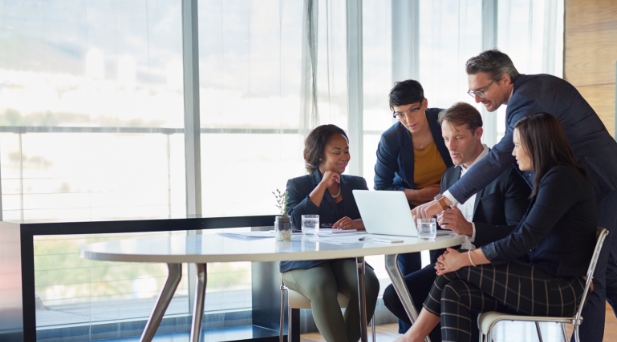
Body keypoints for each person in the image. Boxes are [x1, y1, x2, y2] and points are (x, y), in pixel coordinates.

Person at [414, 49, 617, 342]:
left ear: (505, 79)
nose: (477, 100)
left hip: (604, 183)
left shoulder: (528, 101)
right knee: (608, 274)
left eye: (481, 90)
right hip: (588, 188)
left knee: (597, 278)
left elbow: (498, 159)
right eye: (471, 92)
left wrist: (446, 200)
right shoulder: (532, 94)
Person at [398, 112, 597, 342]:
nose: (512, 153)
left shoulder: (561, 178)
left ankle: (410, 338)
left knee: (456, 268)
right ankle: (412, 338)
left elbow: (522, 239)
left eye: (516, 146)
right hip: (544, 281)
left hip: (559, 290)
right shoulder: (552, 177)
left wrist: (465, 259)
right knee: (455, 292)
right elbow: (522, 234)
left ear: (535, 145)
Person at [382, 102, 530, 342]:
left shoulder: (507, 173)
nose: (450, 146)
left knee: (448, 291)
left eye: (458, 138)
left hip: (493, 265)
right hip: (455, 263)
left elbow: (518, 233)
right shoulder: (449, 175)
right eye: (446, 138)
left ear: (478, 133)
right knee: (395, 295)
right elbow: (445, 230)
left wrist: (469, 229)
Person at [282, 124, 380, 342]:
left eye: (346, 150)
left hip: (342, 258)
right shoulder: (298, 185)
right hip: (304, 261)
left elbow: (374, 220)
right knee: (322, 283)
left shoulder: (356, 183)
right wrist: (323, 184)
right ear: (319, 155)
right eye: (337, 152)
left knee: (369, 282)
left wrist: (356, 223)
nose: (345, 156)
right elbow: (295, 222)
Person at [374, 80, 453, 332]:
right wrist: (419, 193)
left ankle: (441, 328)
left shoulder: (444, 122)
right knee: (406, 272)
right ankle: (408, 331)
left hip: (446, 206)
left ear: (425, 104)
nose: (408, 119)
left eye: (413, 110)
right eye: (400, 114)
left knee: (439, 267)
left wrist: (439, 198)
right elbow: (381, 187)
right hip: (409, 209)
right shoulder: (391, 138)